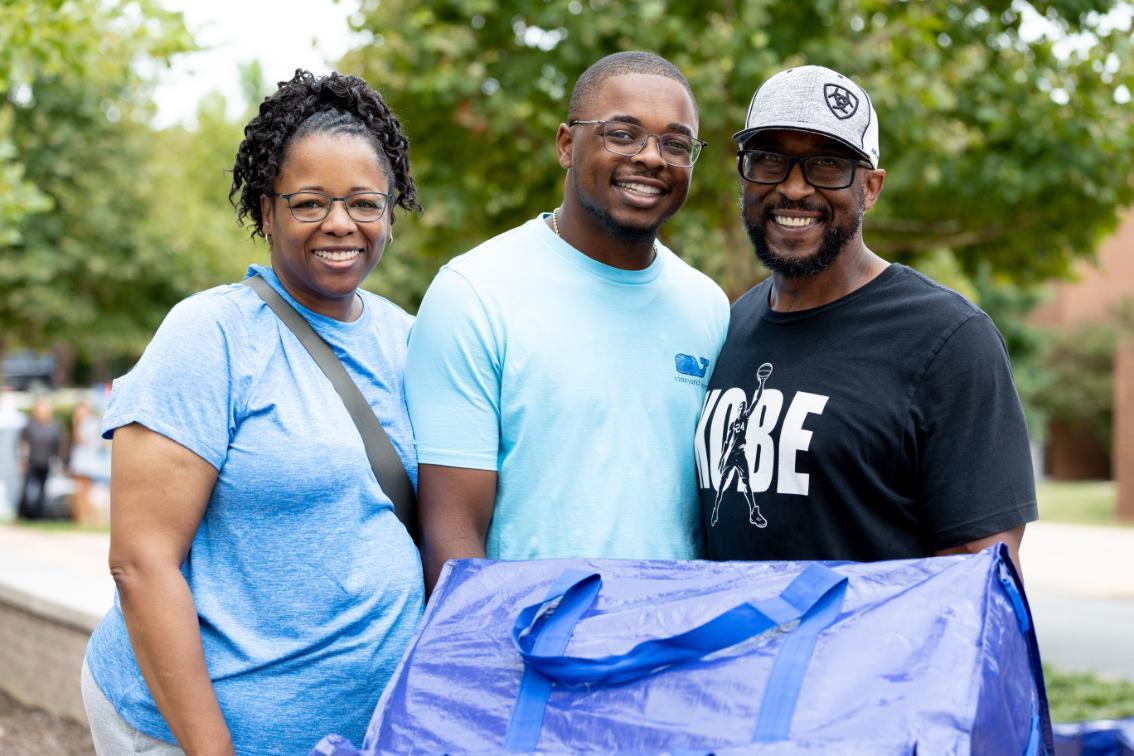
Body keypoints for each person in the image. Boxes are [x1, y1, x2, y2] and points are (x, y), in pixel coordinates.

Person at [81, 70, 424, 755]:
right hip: (187, 732)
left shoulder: (410, 338)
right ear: (265, 212)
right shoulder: (210, 337)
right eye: (309, 202)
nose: (339, 223)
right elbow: (142, 563)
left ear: (390, 211)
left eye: (363, 202)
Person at [405, 51, 729, 592]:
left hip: (676, 652)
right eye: (622, 134)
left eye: (676, 144)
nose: (652, 157)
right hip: (529, 656)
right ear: (565, 145)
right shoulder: (475, 294)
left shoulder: (709, 307)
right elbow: (451, 532)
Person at [694, 65, 1036, 568]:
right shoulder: (735, 323)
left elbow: (980, 581)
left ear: (871, 187)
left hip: (873, 650)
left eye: (828, 164)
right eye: (769, 160)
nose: (793, 188)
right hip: (732, 648)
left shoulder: (948, 339)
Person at [17, 396, 61, 520]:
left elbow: (56, 446)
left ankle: (39, 515)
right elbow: (23, 444)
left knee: (42, 491)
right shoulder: (30, 426)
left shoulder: (54, 427)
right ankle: (23, 514)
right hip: (31, 461)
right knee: (27, 490)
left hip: (45, 462)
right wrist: (22, 460)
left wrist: (57, 462)